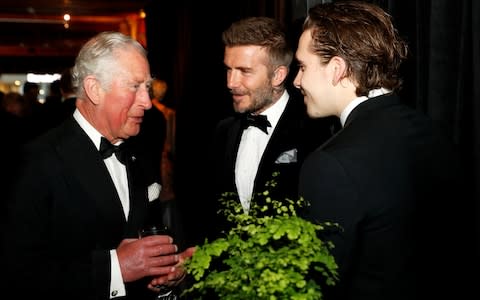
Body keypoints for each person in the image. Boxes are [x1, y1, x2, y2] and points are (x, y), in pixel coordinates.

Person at [2, 31, 194, 300]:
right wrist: (115, 268)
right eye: (134, 86)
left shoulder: (138, 155)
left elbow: (141, 246)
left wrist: (161, 277)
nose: (147, 102)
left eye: (147, 87)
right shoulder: (36, 161)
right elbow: (17, 274)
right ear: (94, 89)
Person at [293, 1, 462, 299]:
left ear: (336, 69)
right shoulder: (434, 133)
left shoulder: (330, 163)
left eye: (303, 66)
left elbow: (317, 287)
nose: (297, 81)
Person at [200, 17, 337, 243]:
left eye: (244, 71)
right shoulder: (223, 131)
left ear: (278, 76)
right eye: (228, 70)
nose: (231, 83)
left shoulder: (316, 130)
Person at [150, 78, 176, 202]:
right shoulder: (168, 112)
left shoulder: (142, 110)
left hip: (149, 157)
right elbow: (171, 142)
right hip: (163, 156)